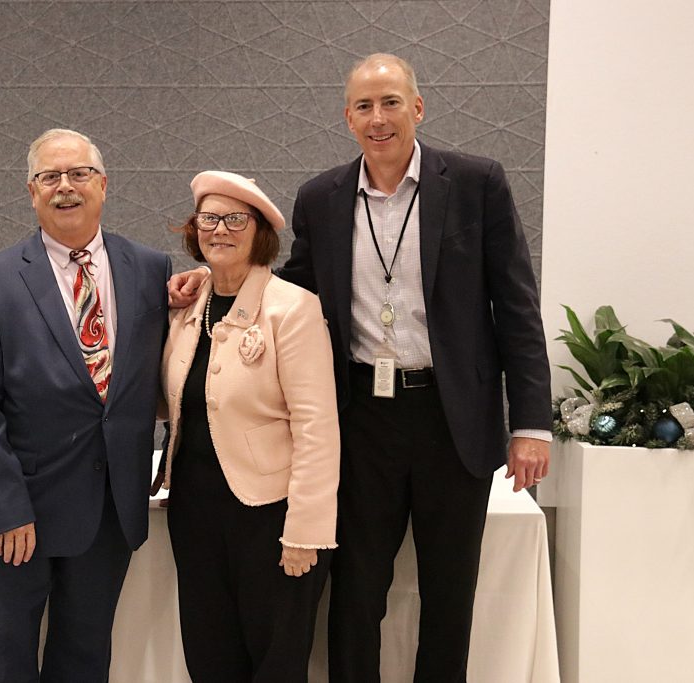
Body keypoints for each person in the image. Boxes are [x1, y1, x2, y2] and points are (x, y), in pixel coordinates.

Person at [169, 53, 552, 682]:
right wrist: (211, 280)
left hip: (453, 420)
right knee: (355, 593)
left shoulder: (477, 182)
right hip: (361, 421)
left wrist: (531, 421)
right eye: (365, 107)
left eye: (391, 103)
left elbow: (515, 303)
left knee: (449, 593)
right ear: (348, 118)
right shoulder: (322, 196)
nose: (379, 118)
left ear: (417, 108)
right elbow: (293, 289)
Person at [0, 128, 171, 682]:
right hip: (18, 514)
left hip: (106, 511)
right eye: (50, 177)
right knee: (4, 663)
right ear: (31, 191)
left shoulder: (151, 269)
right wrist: (5, 506)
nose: (65, 187)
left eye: (78, 175)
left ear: (103, 185)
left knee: (85, 660)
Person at [159, 171, 339, 682]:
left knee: (275, 664)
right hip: (195, 514)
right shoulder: (186, 306)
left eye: (236, 218)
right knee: (209, 657)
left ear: (259, 231)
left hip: (271, 518)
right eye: (209, 218)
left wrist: (307, 531)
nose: (220, 229)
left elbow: (317, 428)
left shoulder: (293, 308)